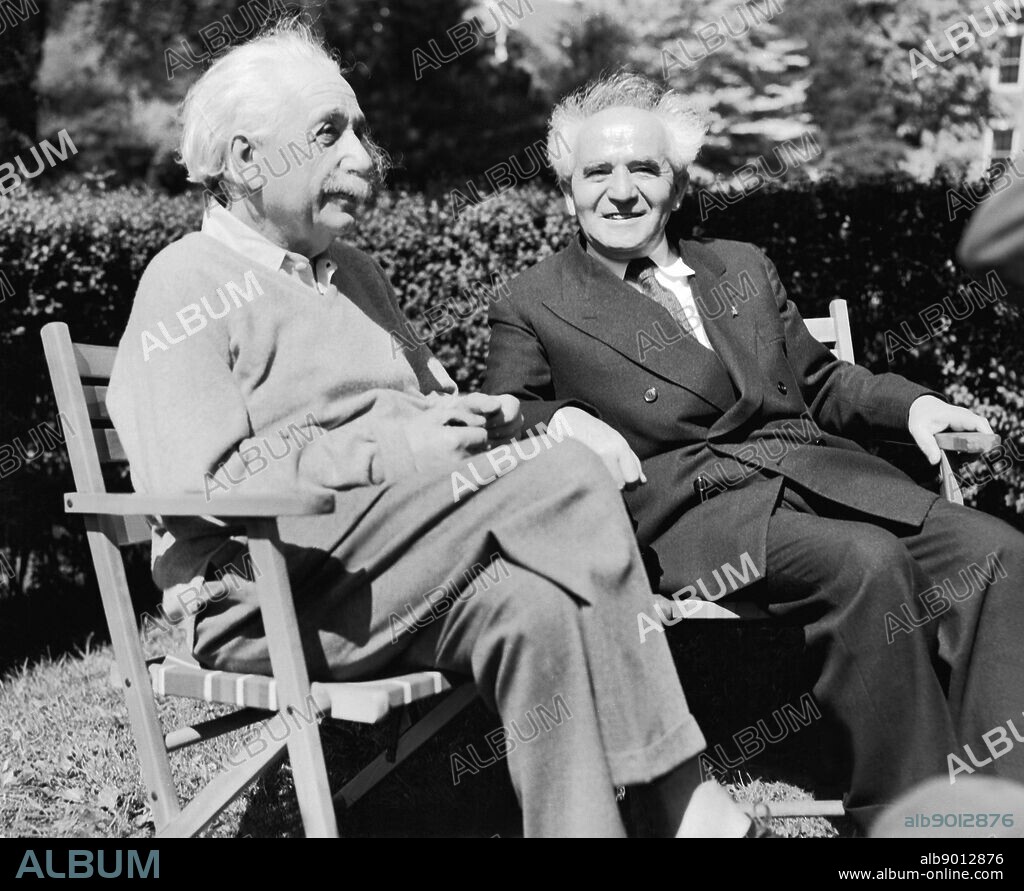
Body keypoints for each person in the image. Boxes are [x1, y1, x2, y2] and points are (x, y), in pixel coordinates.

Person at [105, 24, 766, 839]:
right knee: (561, 471)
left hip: (395, 564)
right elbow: (206, 489)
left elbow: (424, 403)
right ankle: (677, 792)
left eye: (359, 129)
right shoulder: (184, 283)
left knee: (531, 607)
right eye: (329, 133)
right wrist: (393, 449)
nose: (364, 153)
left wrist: (468, 420)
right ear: (245, 161)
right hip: (270, 594)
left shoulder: (354, 272)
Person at [482, 70, 1024, 831]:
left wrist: (916, 405)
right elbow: (506, 415)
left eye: (644, 168)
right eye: (597, 171)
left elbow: (821, 380)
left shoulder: (738, 265)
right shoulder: (534, 301)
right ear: (568, 188)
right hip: (696, 510)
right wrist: (563, 418)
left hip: (815, 471)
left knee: (996, 549)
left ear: (676, 185)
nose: (621, 189)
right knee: (866, 564)